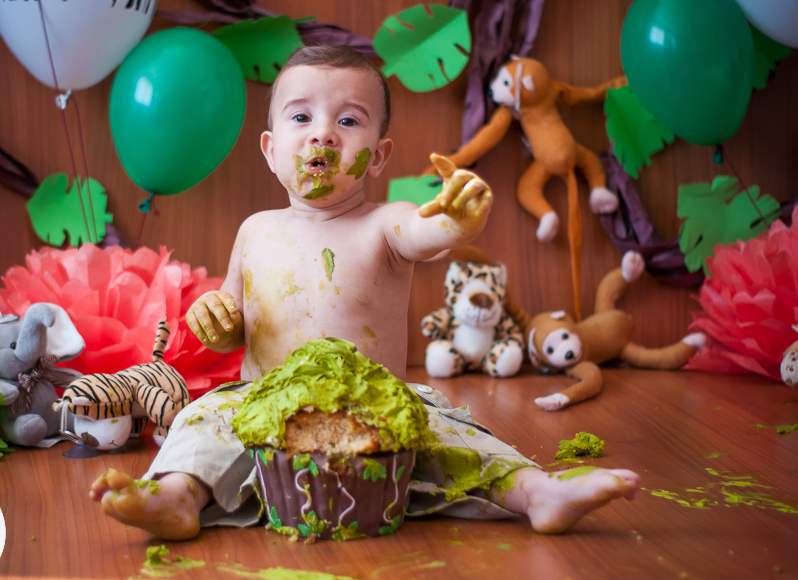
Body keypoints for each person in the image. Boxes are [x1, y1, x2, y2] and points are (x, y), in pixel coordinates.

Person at [90, 46, 640, 541]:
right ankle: (177, 496)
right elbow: (236, 319)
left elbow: (425, 231)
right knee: (200, 423)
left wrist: (455, 223)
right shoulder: (255, 230)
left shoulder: (384, 222)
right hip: (266, 407)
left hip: (378, 410)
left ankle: (536, 493)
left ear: (377, 156)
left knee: (456, 434)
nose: (322, 133)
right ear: (270, 149)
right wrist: (216, 317)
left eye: (348, 120)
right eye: (301, 117)